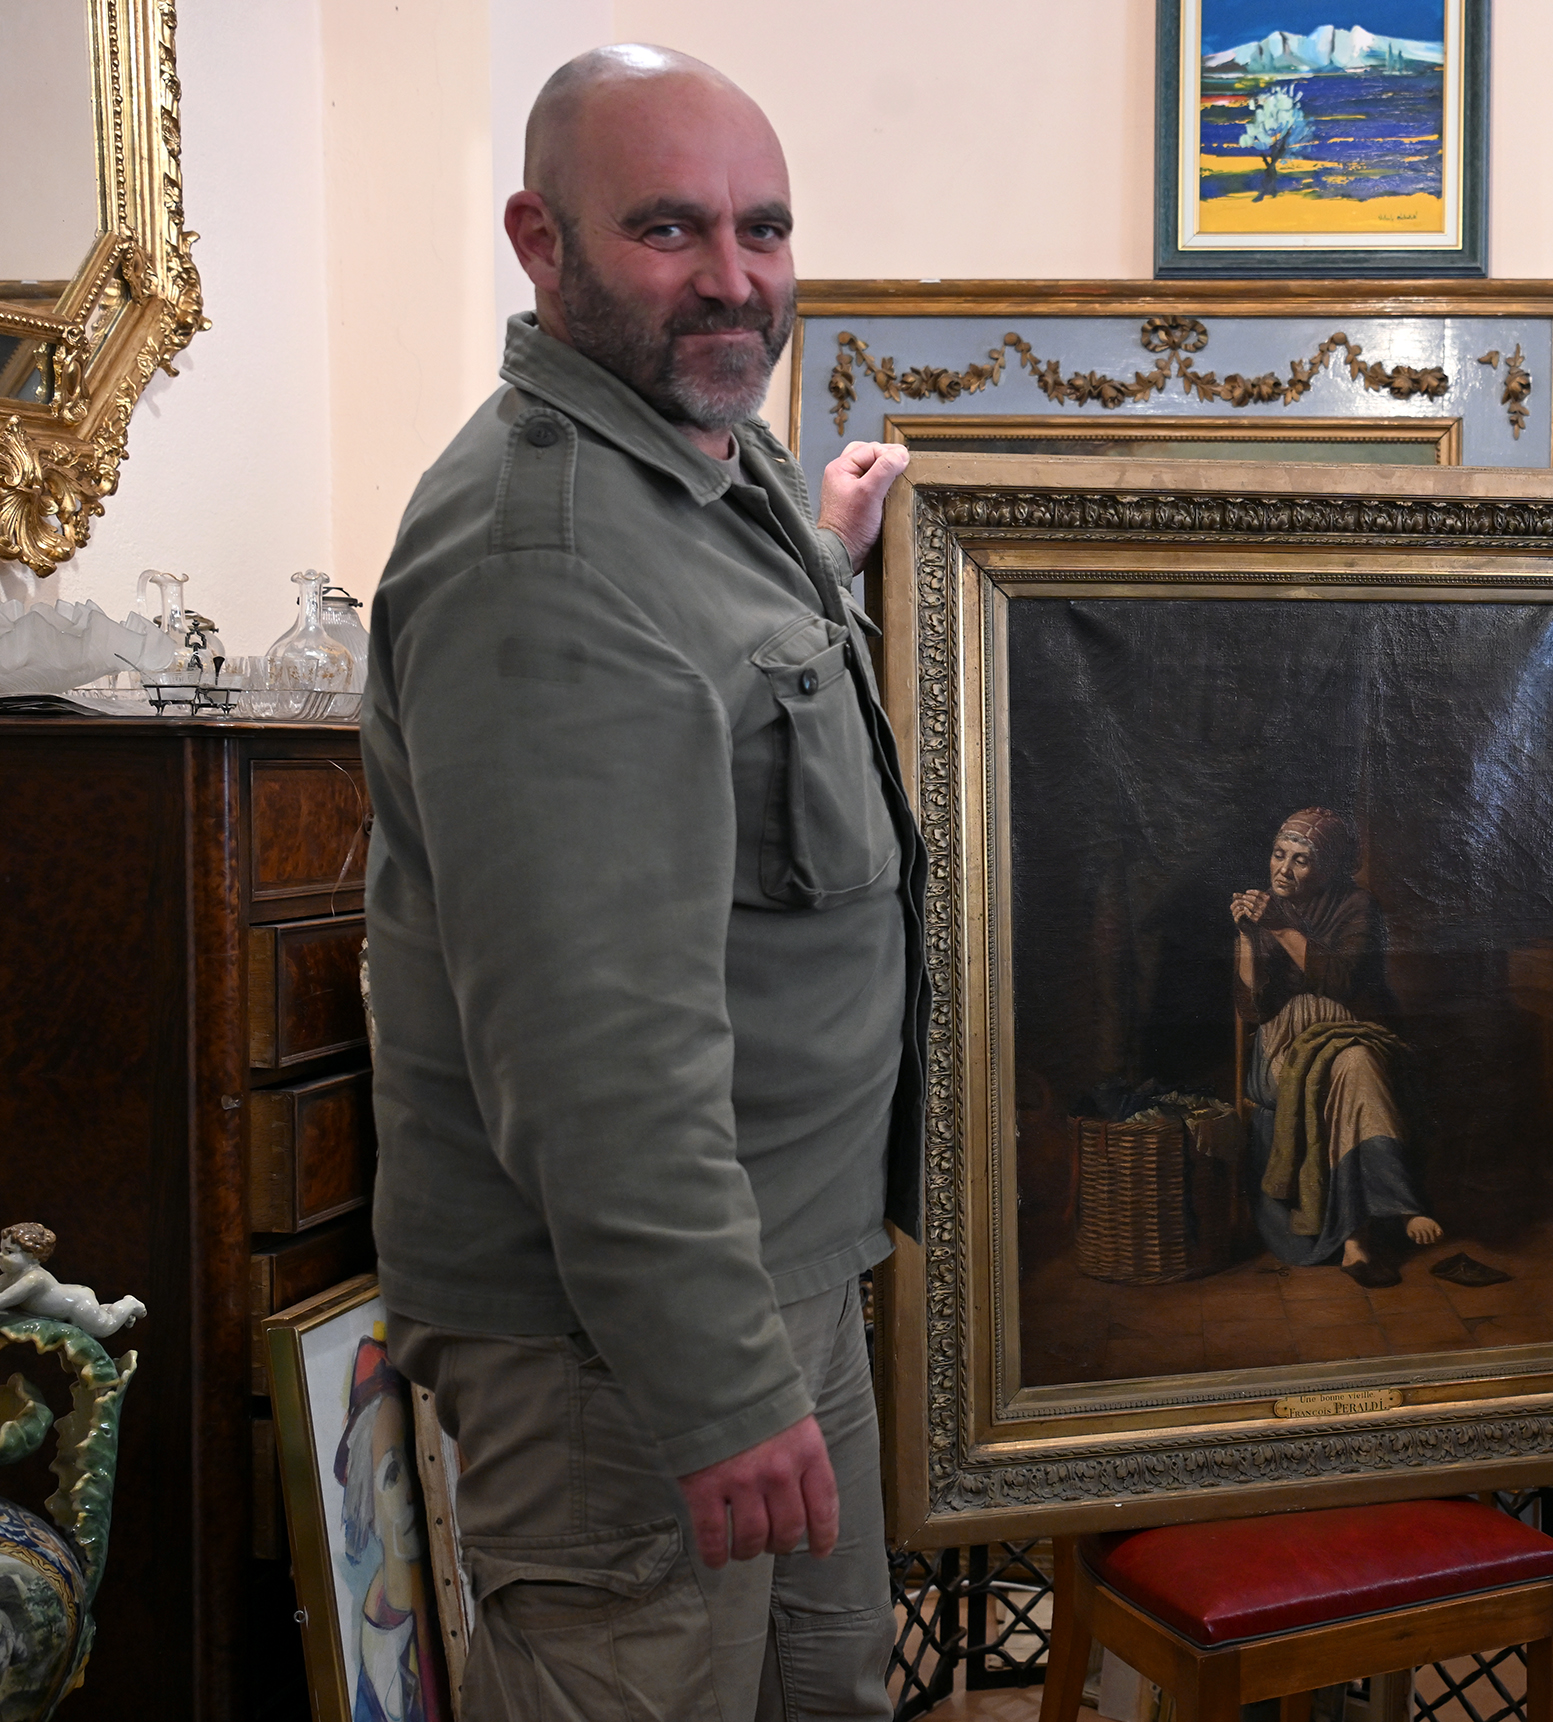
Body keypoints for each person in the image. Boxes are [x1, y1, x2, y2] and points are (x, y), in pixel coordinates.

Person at [359, 43, 923, 1720]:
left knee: (816, 1688)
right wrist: (720, 1381)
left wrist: (831, 557)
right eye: (671, 231)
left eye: (765, 228)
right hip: (633, 1349)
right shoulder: (547, 557)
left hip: (771, 1274)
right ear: (543, 243)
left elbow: (718, 724)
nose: (736, 278)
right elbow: (596, 1051)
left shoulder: (707, 465)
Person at [1230, 807, 1443, 1286]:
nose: (1283, 869)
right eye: (1279, 855)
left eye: (1301, 860)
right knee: (1348, 1068)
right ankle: (1371, 1229)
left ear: (1326, 867)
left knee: (1355, 1061)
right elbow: (1253, 1009)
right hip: (1284, 1044)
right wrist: (1247, 937)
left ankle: (1361, 1239)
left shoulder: (1357, 905)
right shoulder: (1260, 907)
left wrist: (1282, 928)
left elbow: (1344, 980)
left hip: (1353, 1028)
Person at [335, 1332, 445, 1722]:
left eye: (423, 1462)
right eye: (395, 1472)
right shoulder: (375, 1675)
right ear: (369, 1501)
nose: (417, 1489)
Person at [0, 1222, 144, 1340]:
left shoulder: (34, 1278)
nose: (1, 1255)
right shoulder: (11, 1275)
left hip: (78, 1305)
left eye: (9, 1252)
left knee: (105, 1326)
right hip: (76, 1295)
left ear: (32, 1255)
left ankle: (129, 1304)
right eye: (1, 1250)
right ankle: (111, 1308)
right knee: (99, 1314)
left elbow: (4, 1300)